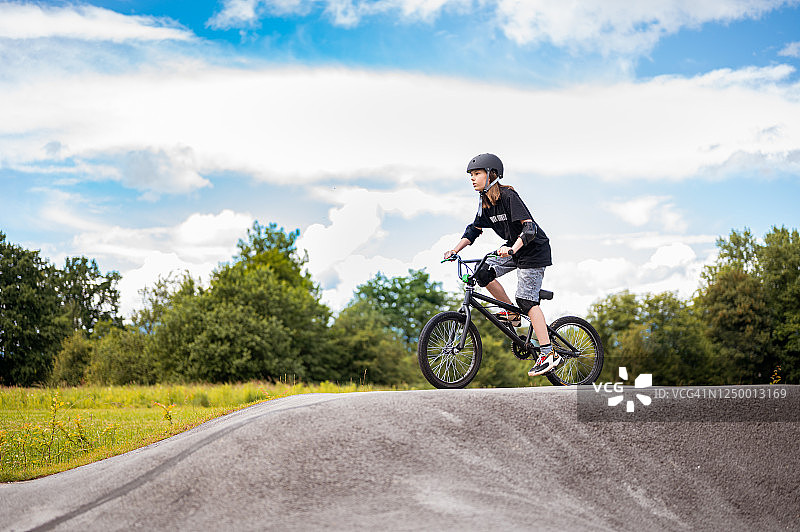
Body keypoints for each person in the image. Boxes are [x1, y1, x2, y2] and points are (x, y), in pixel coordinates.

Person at [443, 153, 559, 377]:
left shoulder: (508, 196)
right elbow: (474, 230)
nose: (472, 178)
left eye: (477, 173)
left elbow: (530, 229)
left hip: (533, 249)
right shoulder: (485, 203)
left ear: (492, 174)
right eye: (471, 175)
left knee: (526, 300)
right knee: (482, 273)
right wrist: (455, 250)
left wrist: (513, 249)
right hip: (513, 248)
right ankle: (512, 313)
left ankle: (548, 353)